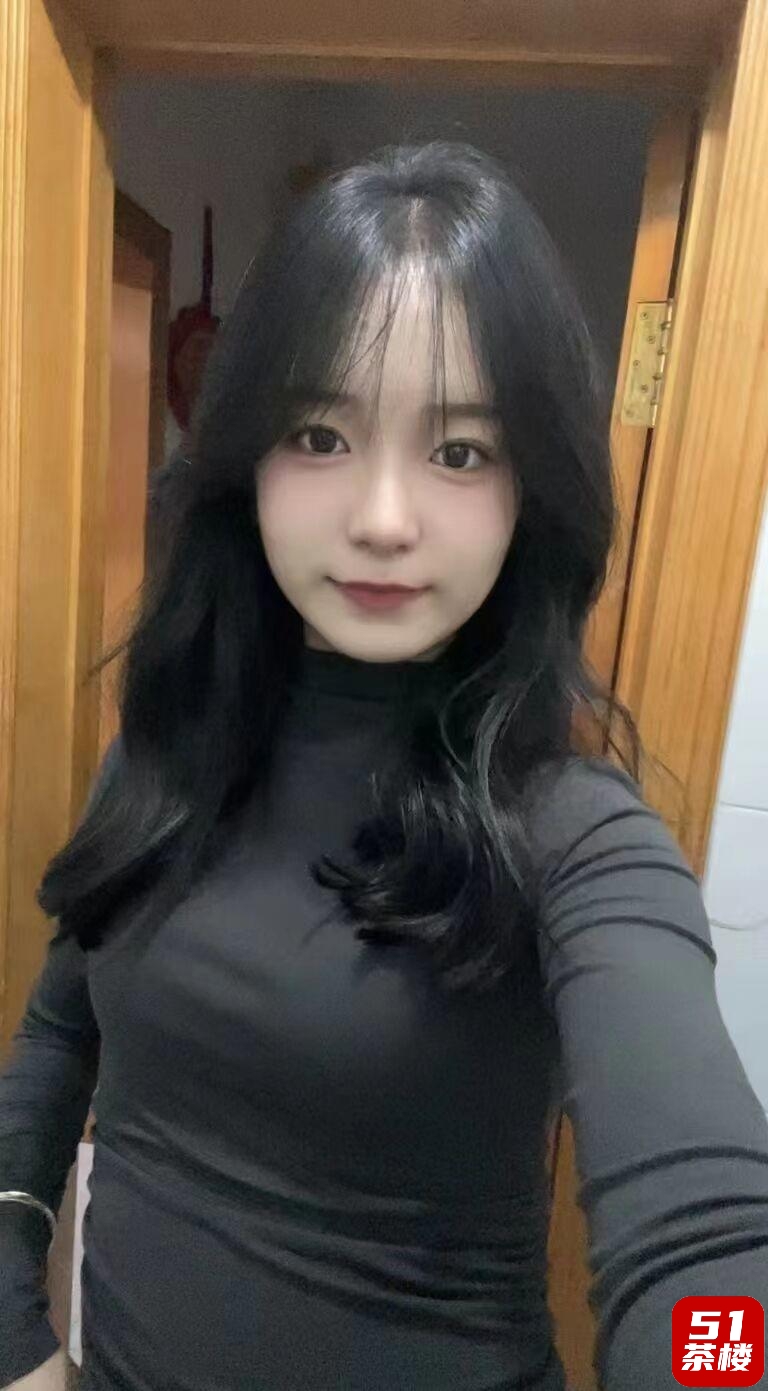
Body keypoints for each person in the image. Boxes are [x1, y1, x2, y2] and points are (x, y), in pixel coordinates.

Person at [1, 142, 767, 1391]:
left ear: (531, 492)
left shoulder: (576, 833)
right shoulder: (169, 747)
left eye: (460, 451)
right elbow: (55, 1035)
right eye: (320, 433)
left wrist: (723, 1359)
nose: (383, 518)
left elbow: (712, 1245)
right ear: (246, 456)